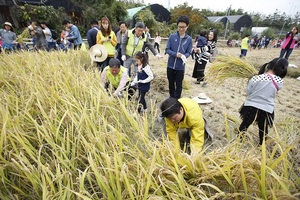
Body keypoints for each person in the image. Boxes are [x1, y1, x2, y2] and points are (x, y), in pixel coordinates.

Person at [238, 58, 288, 145]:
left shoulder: (255, 78)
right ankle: (262, 146)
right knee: (263, 128)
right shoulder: (280, 82)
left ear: (269, 65)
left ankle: (239, 141)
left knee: (245, 124)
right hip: (266, 108)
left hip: (251, 106)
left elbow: (248, 91)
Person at [165, 16, 193, 99]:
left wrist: (184, 56)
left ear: (187, 26)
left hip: (180, 66)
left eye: (183, 27)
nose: (181, 29)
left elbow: (189, 52)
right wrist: (175, 54)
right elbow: (167, 49)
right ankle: (171, 98)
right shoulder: (172, 37)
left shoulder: (189, 39)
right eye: (179, 27)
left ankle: (177, 99)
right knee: (171, 83)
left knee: (179, 84)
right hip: (170, 65)